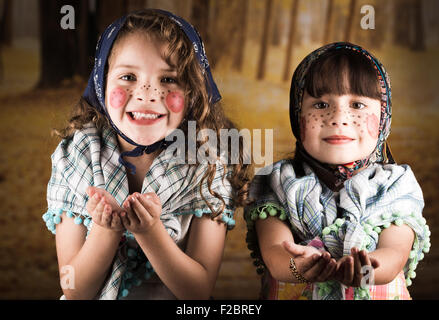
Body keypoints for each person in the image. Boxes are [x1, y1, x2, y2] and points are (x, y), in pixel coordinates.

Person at [42, 9, 250, 300]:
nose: (147, 94)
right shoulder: (75, 160)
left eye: (168, 80)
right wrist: (105, 230)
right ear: (101, 84)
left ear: (193, 92)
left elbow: (198, 292)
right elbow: (74, 290)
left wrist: (150, 233)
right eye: (128, 76)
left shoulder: (208, 166)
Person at [244, 42, 431, 300]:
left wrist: (364, 271)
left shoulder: (396, 185)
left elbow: (394, 255)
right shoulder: (276, 182)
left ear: (384, 116)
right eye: (321, 104)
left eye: (357, 105)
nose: (338, 117)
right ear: (298, 115)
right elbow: (276, 253)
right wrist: (298, 266)